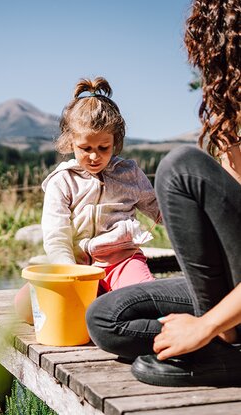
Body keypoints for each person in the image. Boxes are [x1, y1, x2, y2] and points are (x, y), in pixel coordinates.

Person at [86, 0, 241, 387]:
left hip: (227, 316)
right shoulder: (231, 122)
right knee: (106, 318)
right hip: (232, 291)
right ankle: (224, 342)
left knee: (180, 168)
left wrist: (205, 326)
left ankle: (224, 345)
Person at [14, 77, 161, 323]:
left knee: (148, 303)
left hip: (121, 261)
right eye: (85, 148)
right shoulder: (62, 181)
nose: (94, 156)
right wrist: (70, 275)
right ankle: (96, 303)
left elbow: (159, 210)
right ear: (70, 142)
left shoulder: (129, 173)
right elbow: (57, 237)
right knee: (24, 308)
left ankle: (103, 304)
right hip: (77, 267)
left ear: (116, 141)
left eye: (104, 148)